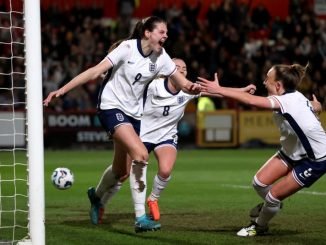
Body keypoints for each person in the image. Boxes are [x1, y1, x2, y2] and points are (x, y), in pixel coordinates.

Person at [43, 16, 201, 233]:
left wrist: (194, 88)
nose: (166, 36)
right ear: (147, 33)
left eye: (166, 32)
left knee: (122, 171)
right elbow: (96, 71)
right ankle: (140, 218)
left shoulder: (162, 57)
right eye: (161, 32)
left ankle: (96, 197)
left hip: (133, 115)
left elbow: (183, 83)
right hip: (111, 108)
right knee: (141, 154)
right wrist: (63, 89)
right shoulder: (127, 48)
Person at [98, 58, 256, 222]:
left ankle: (152, 199)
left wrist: (242, 89)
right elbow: (129, 85)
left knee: (165, 170)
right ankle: (100, 202)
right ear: (168, 70)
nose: (181, 70)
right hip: (141, 135)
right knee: (122, 174)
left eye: (184, 68)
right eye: (177, 67)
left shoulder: (189, 89)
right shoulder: (153, 85)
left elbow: (217, 91)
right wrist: (106, 76)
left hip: (166, 136)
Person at [197, 64, 326, 237]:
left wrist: (219, 89)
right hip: (292, 152)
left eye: (268, 79)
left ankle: (259, 226)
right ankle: (273, 206)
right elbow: (314, 106)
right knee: (259, 182)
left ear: (278, 86)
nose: (264, 82)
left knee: (272, 196)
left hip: (316, 160)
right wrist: (317, 106)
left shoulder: (284, 101)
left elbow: (250, 101)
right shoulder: (296, 96)